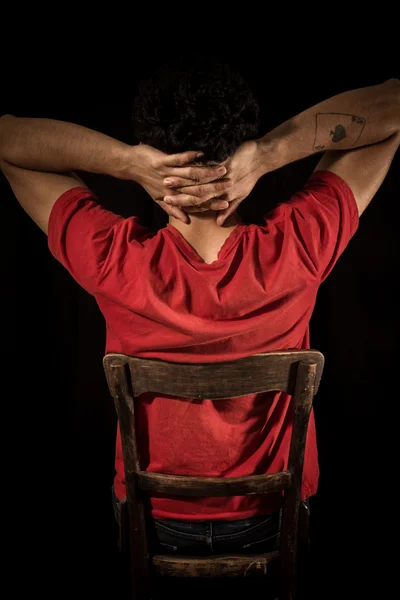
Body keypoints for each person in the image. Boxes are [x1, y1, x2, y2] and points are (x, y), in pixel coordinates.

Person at [0, 58, 399, 560]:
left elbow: (7, 139)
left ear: (153, 157)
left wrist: (128, 162)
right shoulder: (299, 247)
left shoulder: (111, 259)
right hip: (271, 521)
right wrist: (269, 155)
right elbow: (393, 105)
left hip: (154, 523)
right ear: (243, 154)